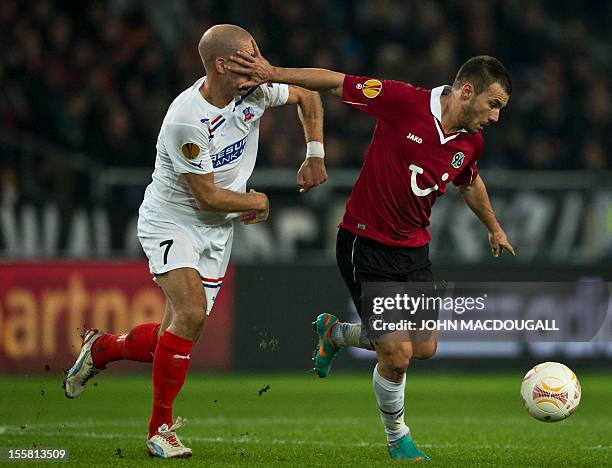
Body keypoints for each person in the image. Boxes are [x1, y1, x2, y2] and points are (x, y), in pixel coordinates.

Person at [227, 45, 515, 461]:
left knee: (425, 348)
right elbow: (333, 80)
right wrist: (273, 72)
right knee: (397, 356)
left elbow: (468, 183)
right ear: (467, 91)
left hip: (414, 249)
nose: (496, 117)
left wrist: (493, 226)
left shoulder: (471, 143)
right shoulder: (403, 102)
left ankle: (336, 334)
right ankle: (397, 436)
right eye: (494, 104)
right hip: (367, 242)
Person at [63, 24, 327, 459]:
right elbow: (205, 196)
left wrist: (314, 153)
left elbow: (308, 94)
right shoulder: (187, 118)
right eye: (249, 53)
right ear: (222, 64)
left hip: (216, 229)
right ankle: (159, 429)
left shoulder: (256, 89)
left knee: (177, 334)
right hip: (173, 221)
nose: (259, 59)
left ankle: (103, 347)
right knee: (190, 312)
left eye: (259, 50)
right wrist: (256, 200)